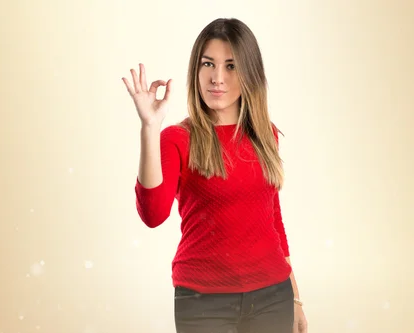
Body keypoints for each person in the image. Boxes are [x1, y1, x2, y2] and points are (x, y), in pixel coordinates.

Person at [122, 18, 308, 333]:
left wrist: (296, 299)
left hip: (272, 296)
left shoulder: (266, 135)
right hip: (203, 302)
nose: (217, 78)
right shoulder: (177, 139)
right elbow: (153, 215)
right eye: (208, 64)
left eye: (231, 66)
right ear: (196, 70)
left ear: (250, 74)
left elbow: (273, 219)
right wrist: (149, 127)